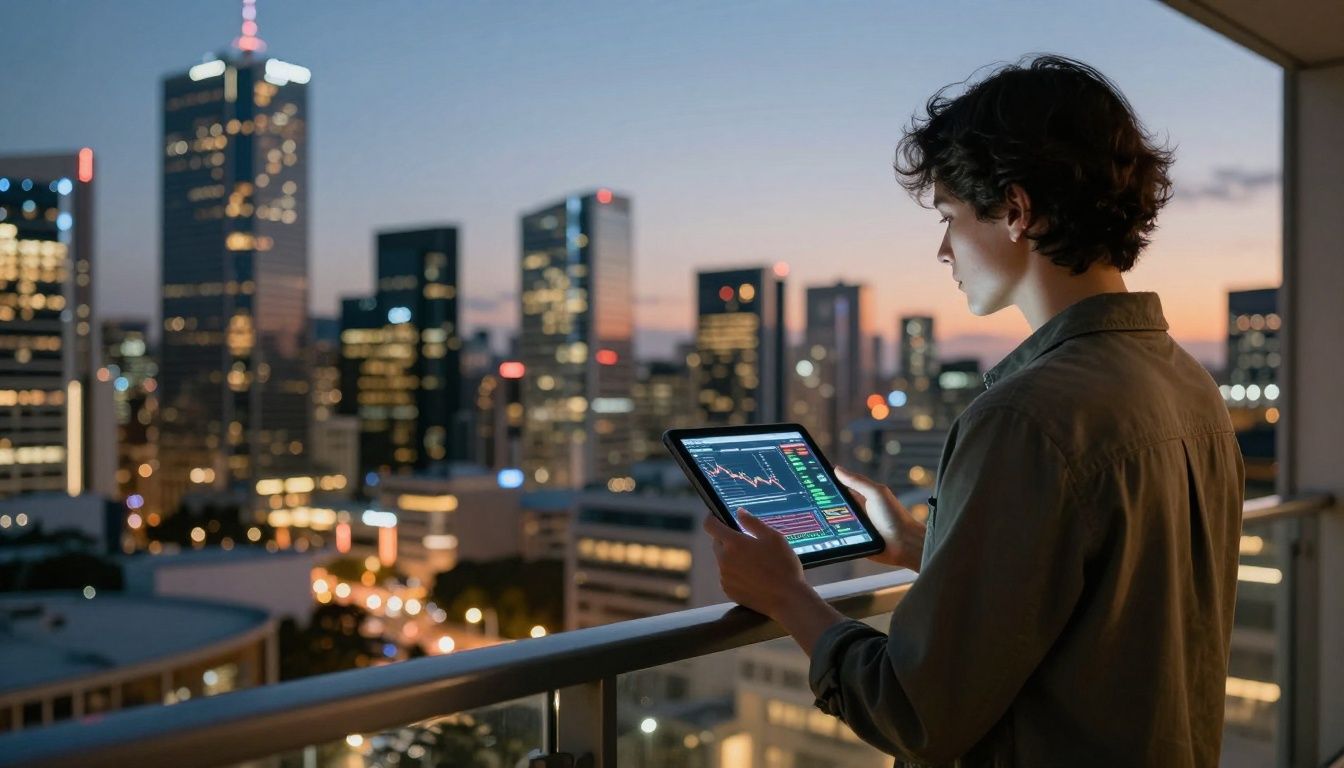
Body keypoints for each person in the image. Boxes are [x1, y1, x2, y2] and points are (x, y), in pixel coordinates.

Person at [703, 54, 1245, 767]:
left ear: (1015, 212)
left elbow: (917, 711)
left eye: (952, 216)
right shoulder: (1188, 385)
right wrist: (919, 547)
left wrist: (787, 596)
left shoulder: (1026, 419)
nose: (943, 248)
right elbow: (1100, 600)